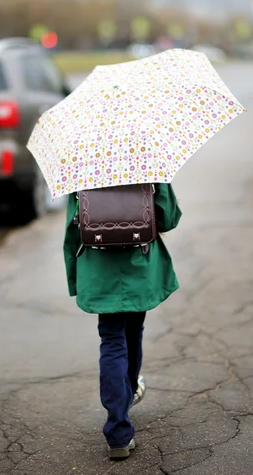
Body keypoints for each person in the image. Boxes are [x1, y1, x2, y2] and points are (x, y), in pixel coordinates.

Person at [63, 183, 182, 460]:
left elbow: (73, 229)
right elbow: (168, 218)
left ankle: (118, 430)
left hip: (98, 269)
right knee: (133, 330)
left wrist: (74, 277)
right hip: (139, 263)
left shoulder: (82, 170)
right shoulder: (146, 161)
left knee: (112, 340)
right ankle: (128, 392)